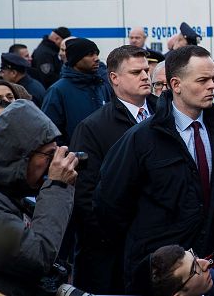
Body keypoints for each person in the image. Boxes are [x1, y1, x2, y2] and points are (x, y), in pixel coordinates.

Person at [95, 45, 214, 292]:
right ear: (176, 85)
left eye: (213, 79)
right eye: (202, 80)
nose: (212, 86)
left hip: (212, 267)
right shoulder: (142, 138)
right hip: (161, 276)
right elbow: (110, 204)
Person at [69, 45, 155, 293]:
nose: (145, 76)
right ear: (114, 78)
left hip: (160, 244)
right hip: (114, 252)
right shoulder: (93, 128)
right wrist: (116, 236)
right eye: (136, 72)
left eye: (146, 70)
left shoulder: (165, 114)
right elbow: (85, 196)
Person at [0, 100, 79, 296]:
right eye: (49, 154)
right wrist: (57, 186)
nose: (54, 162)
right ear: (19, 155)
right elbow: (37, 256)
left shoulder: (9, 193)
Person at [41, 37, 111, 145]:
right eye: (90, 54)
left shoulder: (100, 85)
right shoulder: (57, 90)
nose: (97, 58)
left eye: (97, 54)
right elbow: (49, 133)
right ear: (75, 59)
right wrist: (68, 152)